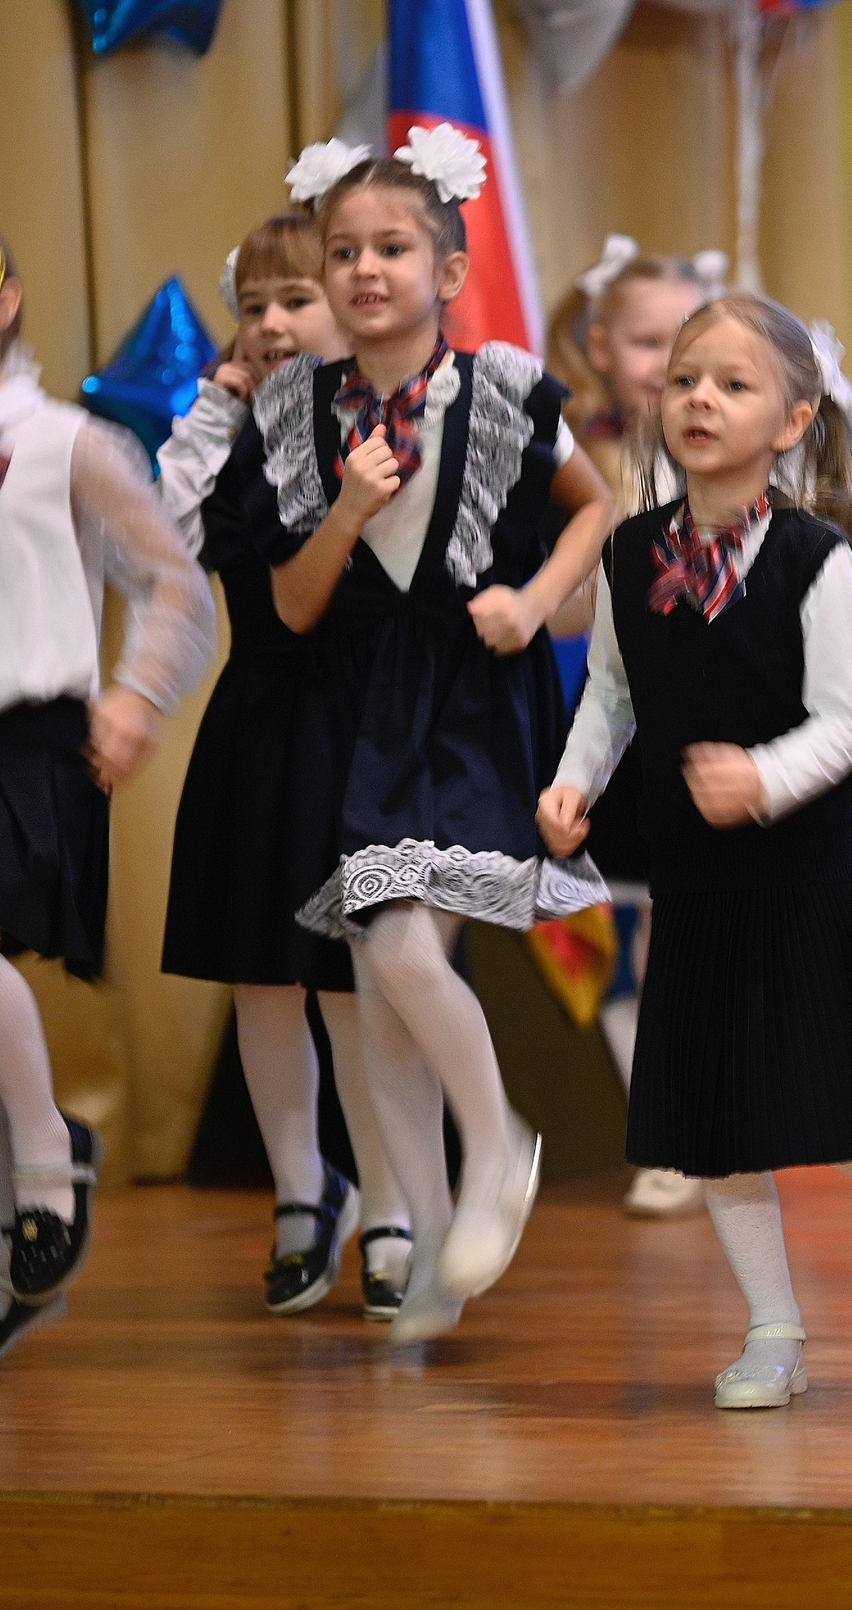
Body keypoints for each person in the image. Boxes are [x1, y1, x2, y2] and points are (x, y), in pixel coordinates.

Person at [539, 294, 852, 1411]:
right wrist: (572, 784)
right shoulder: (625, 553)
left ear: (794, 420)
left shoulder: (815, 556)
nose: (700, 398)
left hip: (797, 868)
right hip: (692, 874)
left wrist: (762, 778)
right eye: (684, 380)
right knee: (712, 1115)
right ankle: (771, 1326)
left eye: (733, 383)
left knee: (816, 1089)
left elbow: (845, 722)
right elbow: (610, 692)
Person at [259, 132, 614, 1344]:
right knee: (371, 989)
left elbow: (597, 509)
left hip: (473, 700)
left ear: (448, 270)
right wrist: (349, 508)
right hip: (366, 707)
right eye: (343, 249)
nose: (364, 269)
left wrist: (534, 598)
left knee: (405, 944)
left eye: (392, 248)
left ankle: (497, 1141)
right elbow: (293, 605)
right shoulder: (299, 408)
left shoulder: (508, 389)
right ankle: (422, 1245)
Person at [0, 209, 216, 1369]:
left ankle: (51, 1148)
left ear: (1, 299)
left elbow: (176, 583)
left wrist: (134, 701)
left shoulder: (69, 442)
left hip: (36, 746)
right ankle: (3, 1276)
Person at [158, 209, 417, 1319]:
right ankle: (304, 1194)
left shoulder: (384, 422)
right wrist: (214, 406)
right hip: (260, 716)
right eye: (252, 305)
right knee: (263, 975)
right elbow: (162, 537)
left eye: (292, 300)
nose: (268, 323)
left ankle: (397, 1199)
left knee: (356, 981)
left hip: (359, 718)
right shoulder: (226, 436)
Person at [543, 233, 725, 1219]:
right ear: (604, 345)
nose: (667, 363)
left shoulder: (743, 449)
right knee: (654, 933)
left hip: (729, 719)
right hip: (635, 725)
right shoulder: (590, 461)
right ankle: (673, 1131)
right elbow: (568, 609)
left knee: (716, 928)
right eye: (649, 341)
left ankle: (721, 1115)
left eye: (687, 339)